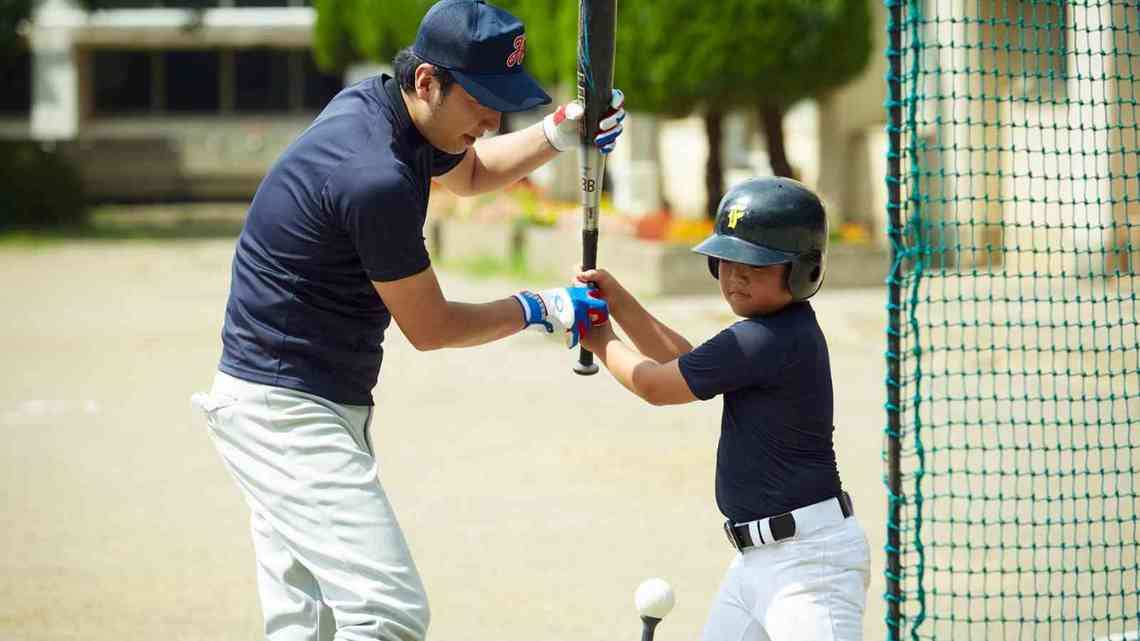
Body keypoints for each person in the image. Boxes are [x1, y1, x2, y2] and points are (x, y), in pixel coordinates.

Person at [190, 1, 622, 639]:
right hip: (288, 413)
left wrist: (562, 129)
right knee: (387, 612)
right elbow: (432, 327)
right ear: (427, 82)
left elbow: (470, 175)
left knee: (309, 627)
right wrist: (543, 308)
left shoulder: (382, 107)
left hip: (289, 400)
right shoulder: (375, 176)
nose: (493, 119)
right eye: (481, 100)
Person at [577, 177, 871, 641]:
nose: (737, 275)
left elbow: (655, 384)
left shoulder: (765, 339)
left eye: (756, 263)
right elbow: (682, 362)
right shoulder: (767, 333)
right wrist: (618, 302)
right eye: (728, 261)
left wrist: (598, 337)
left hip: (810, 569)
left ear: (801, 270)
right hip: (755, 562)